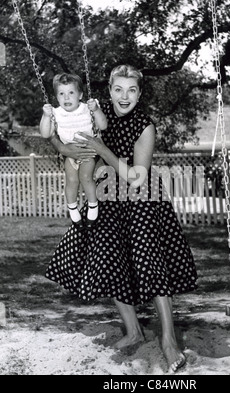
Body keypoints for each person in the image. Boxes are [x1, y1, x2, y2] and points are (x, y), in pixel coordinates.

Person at [45, 65, 198, 373]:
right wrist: (66, 146)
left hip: (141, 200)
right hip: (109, 197)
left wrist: (104, 151)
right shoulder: (97, 116)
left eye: (131, 90)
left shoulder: (144, 126)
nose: (124, 96)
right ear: (110, 91)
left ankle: (168, 340)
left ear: (139, 94)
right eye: (118, 89)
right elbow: (64, 135)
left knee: (150, 263)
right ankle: (133, 330)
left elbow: (137, 177)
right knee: (110, 258)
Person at [40, 73, 107, 229]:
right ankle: (72, 208)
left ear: (80, 95)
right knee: (71, 180)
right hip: (70, 153)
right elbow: (45, 134)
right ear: (57, 97)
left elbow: (103, 125)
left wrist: (96, 110)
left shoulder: (87, 108)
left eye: (71, 93)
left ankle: (92, 205)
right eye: (61, 94)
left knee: (86, 177)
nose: (67, 98)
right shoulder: (56, 113)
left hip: (88, 150)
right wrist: (45, 116)